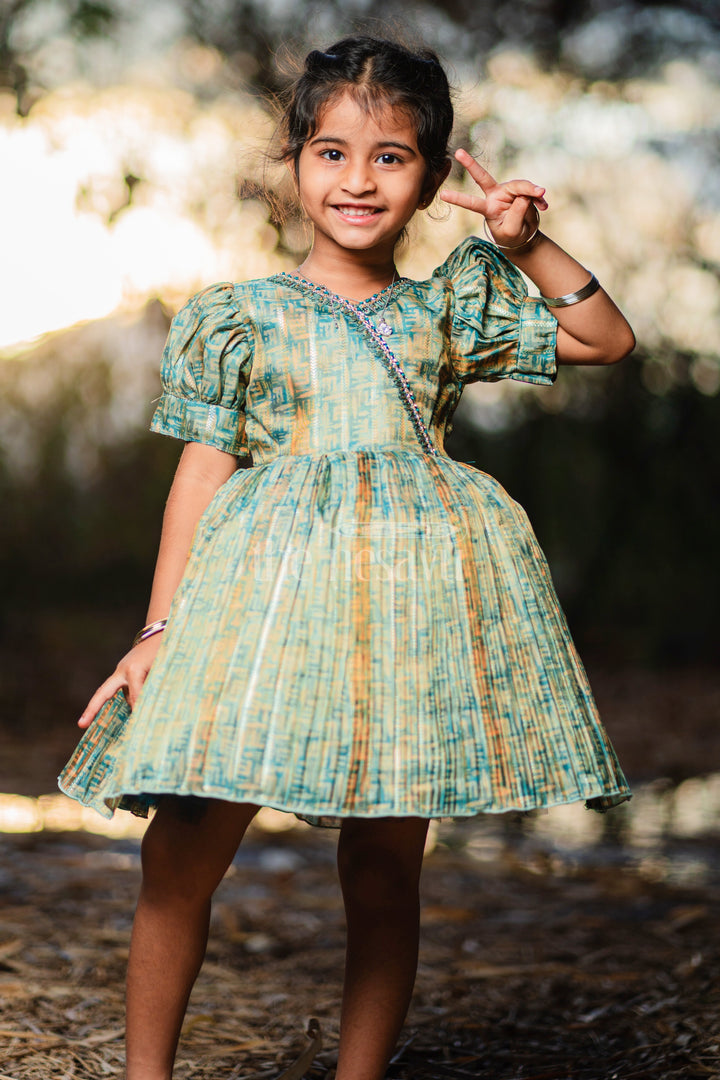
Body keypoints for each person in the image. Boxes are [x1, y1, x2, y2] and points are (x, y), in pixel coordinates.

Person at [59, 34, 635, 1080]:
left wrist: (528, 243)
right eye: (331, 151)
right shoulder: (237, 316)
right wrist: (157, 630)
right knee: (181, 846)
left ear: (429, 180)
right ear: (293, 162)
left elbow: (606, 341)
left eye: (391, 157)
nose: (357, 179)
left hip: (403, 611)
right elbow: (203, 473)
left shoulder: (449, 305)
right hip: (256, 608)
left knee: (381, 868)